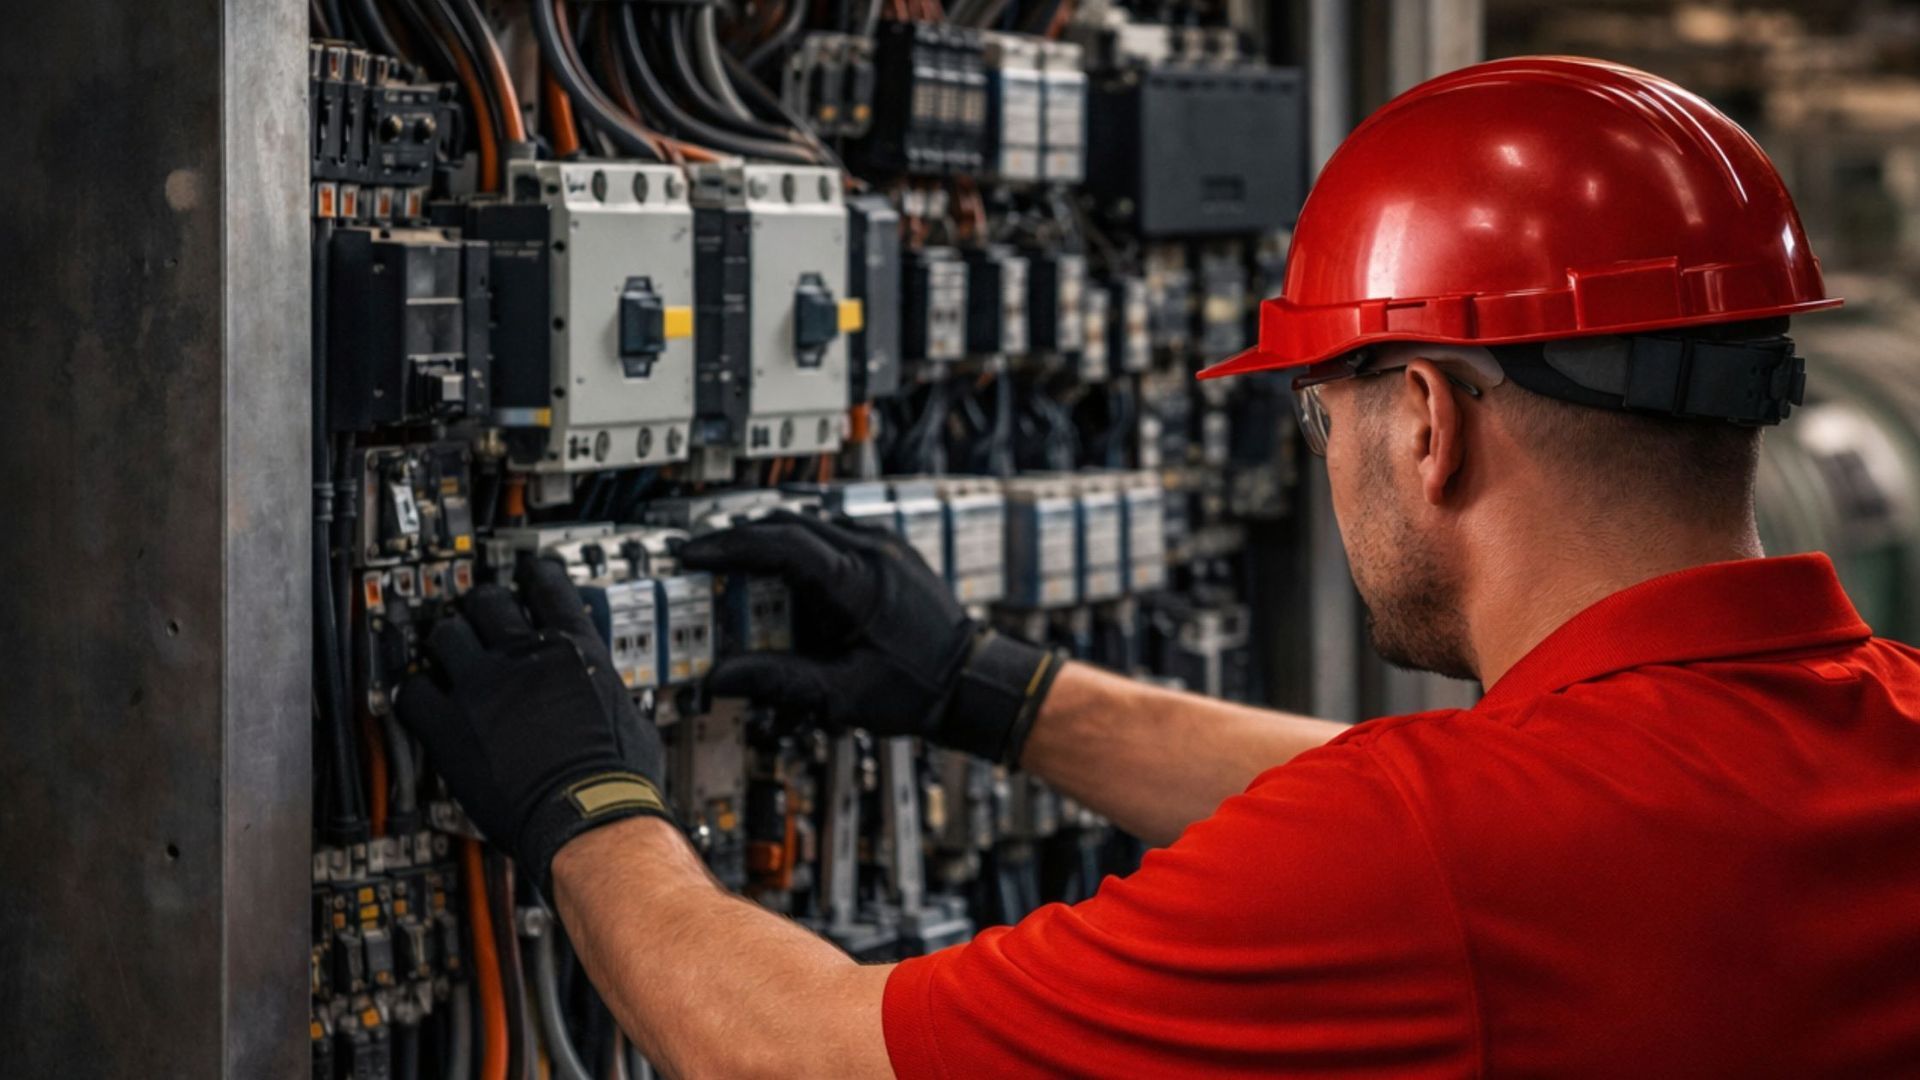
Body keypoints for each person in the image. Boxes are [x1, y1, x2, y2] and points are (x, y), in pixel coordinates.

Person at [398, 57, 1920, 1077]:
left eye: (1321, 412)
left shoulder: (1428, 856)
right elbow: (1484, 826)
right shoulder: (1876, 735)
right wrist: (998, 694)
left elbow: (803, 1047)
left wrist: (583, 805)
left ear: (1429, 424)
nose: (1324, 459)